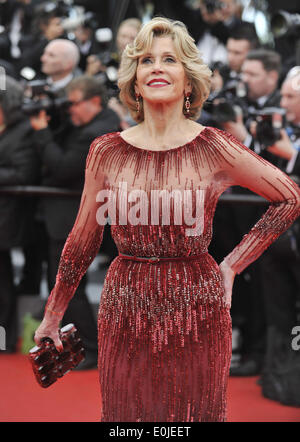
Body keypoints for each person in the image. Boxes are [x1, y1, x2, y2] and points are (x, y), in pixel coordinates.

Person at [34, 17, 300, 422]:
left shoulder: (214, 146)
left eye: (170, 59)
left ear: (189, 80)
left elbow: (288, 197)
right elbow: (83, 239)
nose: (156, 67)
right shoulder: (106, 150)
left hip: (198, 302)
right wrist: (53, 315)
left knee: (195, 414)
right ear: (134, 81)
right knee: (127, 418)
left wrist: (231, 266)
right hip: (125, 300)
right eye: (146, 61)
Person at [30, 74, 120, 369]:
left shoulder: (97, 131)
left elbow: (62, 168)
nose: (69, 110)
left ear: (94, 101)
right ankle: (72, 347)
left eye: (73, 104)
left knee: (71, 286)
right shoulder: (92, 122)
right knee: (62, 284)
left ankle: (90, 350)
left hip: (74, 219)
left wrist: (42, 132)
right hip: (66, 216)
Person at [0, 76, 38, 352]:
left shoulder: (23, 130)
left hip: (9, 215)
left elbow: (24, 173)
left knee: (2, 281)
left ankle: (4, 337)